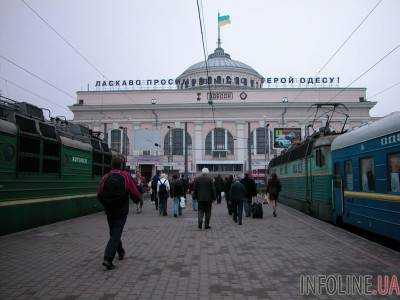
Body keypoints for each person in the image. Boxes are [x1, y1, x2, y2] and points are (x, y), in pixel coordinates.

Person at [97, 156, 141, 270]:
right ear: (122, 165)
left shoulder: (106, 176)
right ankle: (108, 258)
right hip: (121, 210)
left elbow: (99, 193)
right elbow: (134, 191)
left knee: (114, 232)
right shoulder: (125, 176)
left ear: (111, 165)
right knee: (116, 233)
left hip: (109, 210)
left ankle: (120, 252)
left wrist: (106, 204)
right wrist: (137, 200)